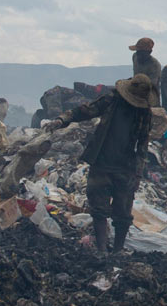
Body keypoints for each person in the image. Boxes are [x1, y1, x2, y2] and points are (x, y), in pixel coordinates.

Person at [47, 75, 155, 253]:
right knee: (98, 208)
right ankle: (102, 250)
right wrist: (62, 119)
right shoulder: (112, 100)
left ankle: (117, 251)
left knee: (123, 212)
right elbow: (85, 110)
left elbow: (143, 143)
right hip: (102, 161)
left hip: (126, 167)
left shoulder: (144, 112)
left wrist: (137, 174)